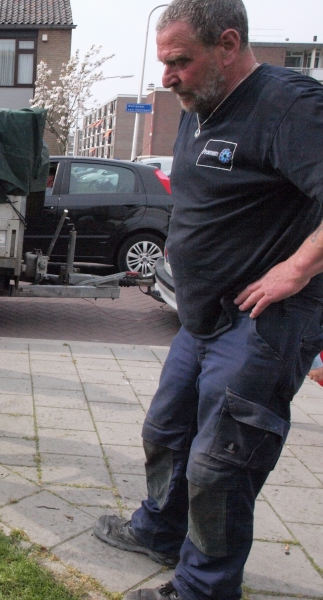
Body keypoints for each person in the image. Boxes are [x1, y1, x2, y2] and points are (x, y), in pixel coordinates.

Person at [91, 1, 323, 599]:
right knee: (165, 433)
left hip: (261, 324)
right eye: (163, 63)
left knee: (221, 466)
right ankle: (160, 531)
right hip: (199, 319)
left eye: (179, 62)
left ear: (227, 44)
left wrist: (294, 271)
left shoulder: (288, 106)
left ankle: (203, 589)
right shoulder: (200, 103)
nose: (166, 78)